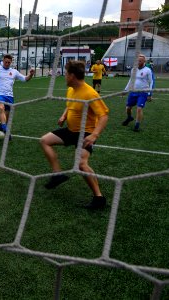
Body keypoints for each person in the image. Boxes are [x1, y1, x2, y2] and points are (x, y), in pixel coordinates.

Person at [40, 60, 109, 210]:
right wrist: (64, 116)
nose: (64, 76)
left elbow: (103, 116)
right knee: (44, 140)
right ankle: (58, 174)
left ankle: (99, 198)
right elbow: (69, 105)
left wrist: (95, 135)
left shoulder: (90, 93)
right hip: (71, 130)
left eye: (66, 74)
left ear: (72, 75)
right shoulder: (71, 89)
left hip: (86, 134)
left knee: (81, 164)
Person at [0, 54, 35, 136]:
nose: (7, 64)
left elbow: (25, 79)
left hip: (10, 96)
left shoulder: (14, 72)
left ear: (11, 62)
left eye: (9, 62)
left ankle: (2, 127)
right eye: (5, 62)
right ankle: (6, 130)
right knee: (1, 107)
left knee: (6, 117)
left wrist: (31, 74)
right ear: (3, 61)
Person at [122, 54, 154, 132]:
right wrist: (125, 90)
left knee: (139, 109)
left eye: (140, 61)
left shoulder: (148, 70)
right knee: (128, 108)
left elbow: (151, 82)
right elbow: (130, 80)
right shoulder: (133, 69)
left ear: (144, 61)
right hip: (133, 91)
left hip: (143, 92)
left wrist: (150, 94)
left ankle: (137, 125)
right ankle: (129, 117)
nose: (138, 62)